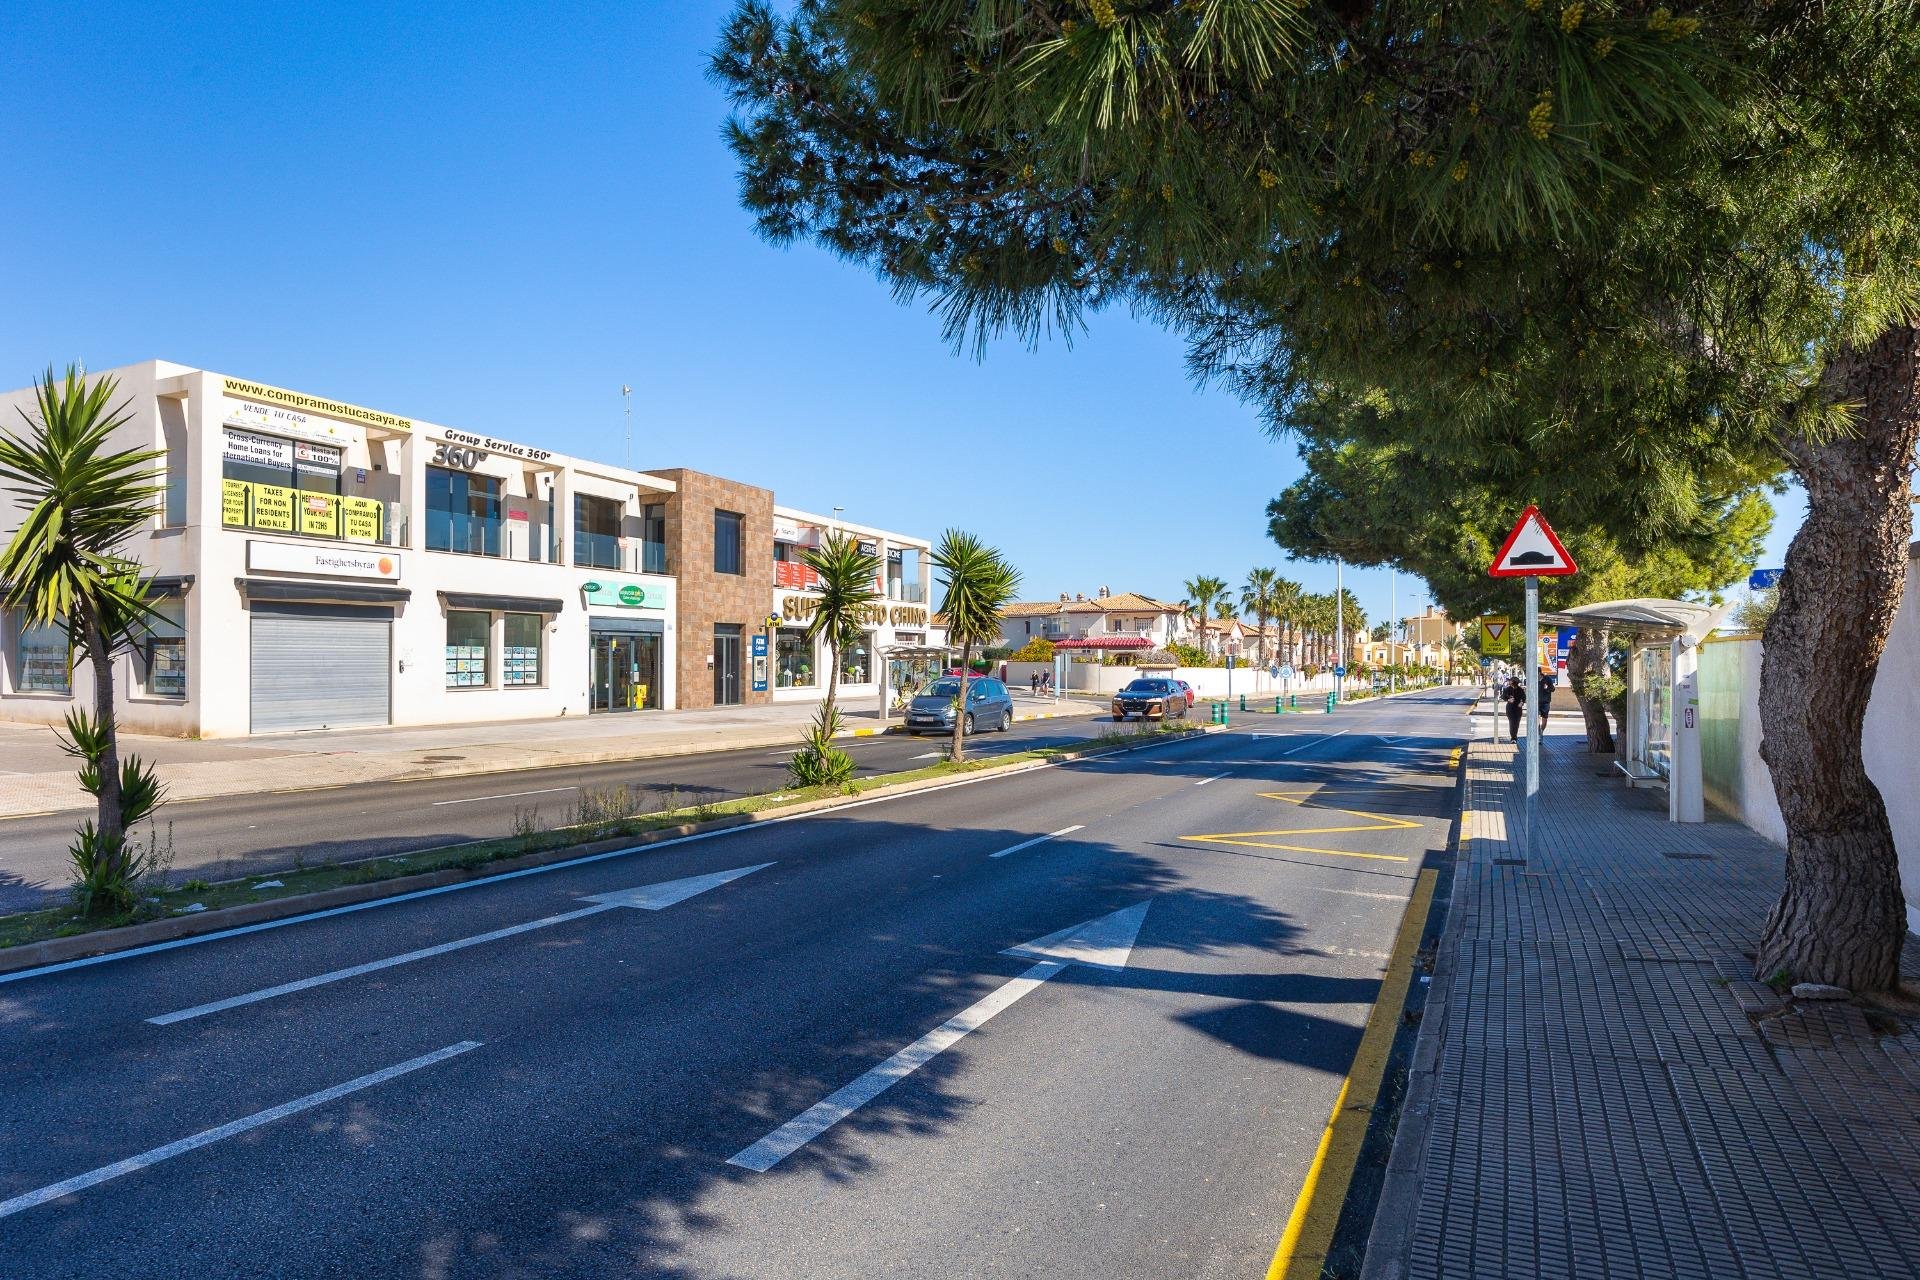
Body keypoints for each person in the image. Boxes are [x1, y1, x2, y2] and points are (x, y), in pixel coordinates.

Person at [1501, 675, 1526, 743]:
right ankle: (1513, 738)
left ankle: (1515, 736)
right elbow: (1503, 696)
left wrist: (1522, 703)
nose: (1510, 682)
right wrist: (1508, 700)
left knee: (1517, 723)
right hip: (1510, 708)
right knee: (1512, 723)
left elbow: (1524, 697)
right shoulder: (1507, 689)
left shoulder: (1520, 689)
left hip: (1518, 708)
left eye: (1511, 681)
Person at [1538, 669, 1556, 734]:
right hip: (1536, 702)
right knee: (1536, 717)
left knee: (1544, 718)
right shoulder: (1533, 679)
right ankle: (1537, 732)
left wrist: (1547, 688)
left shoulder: (1547, 679)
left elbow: (1553, 689)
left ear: (1539, 673)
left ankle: (1541, 731)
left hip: (1545, 702)